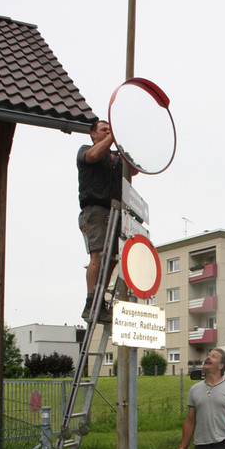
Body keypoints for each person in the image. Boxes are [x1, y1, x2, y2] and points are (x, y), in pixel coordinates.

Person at [77, 119, 123, 324]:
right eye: (104, 130)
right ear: (93, 134)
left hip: (115, 211)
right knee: (98, 255)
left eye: (110, 130)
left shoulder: (115, 157)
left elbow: (135, 171)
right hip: (94, 210)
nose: (108, 133)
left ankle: (100, 300)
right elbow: (94, 155)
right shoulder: (86, 150)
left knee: (112, 258)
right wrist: (113, 136)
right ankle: (90, 301)